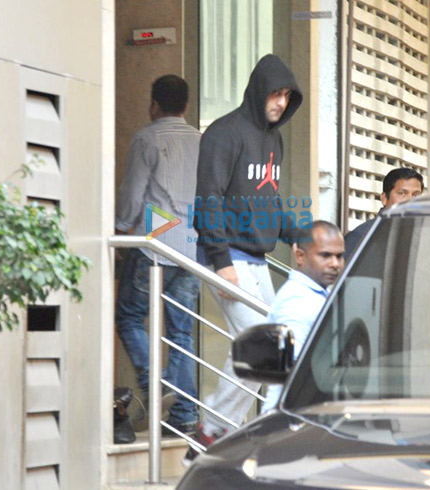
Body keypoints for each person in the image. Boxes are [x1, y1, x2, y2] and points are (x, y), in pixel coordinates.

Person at [184, 54, 303, 463]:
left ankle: (213, 432)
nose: (281, 102)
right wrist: (220, 260)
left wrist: (301, 237)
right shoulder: (224, 134)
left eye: (287, 95)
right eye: (275, 93)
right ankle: (212, 430)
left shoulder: (273, 140)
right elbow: (208, 198)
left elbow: (268, 200)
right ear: (258, 91)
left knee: (273, 354)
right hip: (227, 255)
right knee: (265, 350)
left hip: (256, 258)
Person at [115, 75, 201, 435]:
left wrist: (120, 229)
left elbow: (133, 193)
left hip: (155, 242)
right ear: (185, 106)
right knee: (181, 331)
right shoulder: (202, 140)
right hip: (194, 248)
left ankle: (157, 383)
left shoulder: (146, 138)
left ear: (154, 104)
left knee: (130, 316)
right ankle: (183, 414)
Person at [262, 221, 345, 412]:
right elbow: (295, 371)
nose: (335, 263)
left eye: (339, 256)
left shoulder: (318, 294)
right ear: (300, 256)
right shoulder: (297, 301)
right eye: (325, 255)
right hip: (292, 419)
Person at [344, 167, 424, 260]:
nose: (410, 200)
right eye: (401, 193)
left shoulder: (426, 236)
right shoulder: (362, 237)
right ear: (384, 198)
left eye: (416, 195)